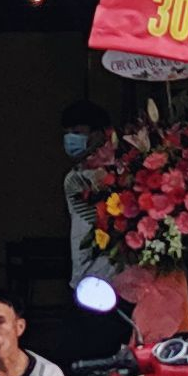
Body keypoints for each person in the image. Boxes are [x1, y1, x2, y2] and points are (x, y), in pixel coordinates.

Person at [62, 99, 115, 288]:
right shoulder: (74, 178)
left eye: (77, 133)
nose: (70, 140)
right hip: (86, 274)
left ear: (100, 134)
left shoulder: (121, 172)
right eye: (66, 133)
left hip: (116, 275)